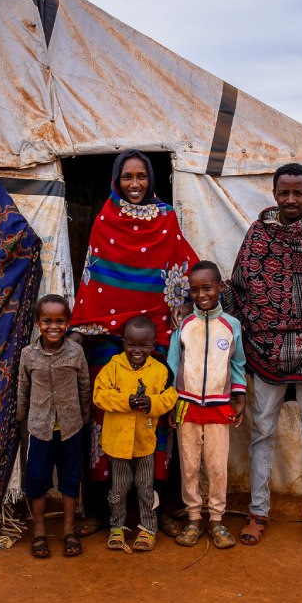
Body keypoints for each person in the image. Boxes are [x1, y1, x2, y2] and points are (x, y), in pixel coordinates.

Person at [68, 150, 198, 537]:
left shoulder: (167, 218)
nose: (135, 184)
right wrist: (81, 327)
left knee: (155, 421)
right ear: (116, 179)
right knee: (106, 419)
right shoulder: (105, 218)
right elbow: (94, 277)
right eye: (128, 177)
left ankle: (155, 508)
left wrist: (186, 308)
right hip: (108, 338)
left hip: (154, 336)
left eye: (142, 176)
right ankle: (101, 509)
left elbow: (182, 268)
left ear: (152, 179)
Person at [223, 162, 302, 549]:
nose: (291, 199)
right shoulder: (259, 234)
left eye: (298, 192)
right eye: (284, 192)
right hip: (269, 349)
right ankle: (258, 512)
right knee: (262, 430)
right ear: (274, 193)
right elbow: (241, 286)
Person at [166, 260, 246, 549]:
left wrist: (240, 396)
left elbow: (237, 364)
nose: (201, 295)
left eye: (207, 288)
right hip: (186, 407)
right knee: (189, 466)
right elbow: (173, 364)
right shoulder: (184, 325)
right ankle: (193, 518)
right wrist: (171, 401)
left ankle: (216, 519)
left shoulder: (231, 326)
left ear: (221, 287)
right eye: (195, 290)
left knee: (216, 466)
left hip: (218, 408)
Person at [91, 314, 177, 552]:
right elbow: (99, 395)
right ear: (123, 342)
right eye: (131, 344)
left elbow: (171, 396)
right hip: (118, 443)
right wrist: (125, 401)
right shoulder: (112, 367)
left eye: (143, 345)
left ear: (153, 344)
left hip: (144, 442)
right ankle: (116, 527)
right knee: (118, 488)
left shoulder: (159, 370)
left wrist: (152, 403)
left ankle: (148, 528)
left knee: (145, 487)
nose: (136, 350)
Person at [17, 294, 90, 558]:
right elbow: (23, 387)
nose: (53, 326)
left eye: (60, 321)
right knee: (37, 479)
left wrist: (85, 417)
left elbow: (84, 386)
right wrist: (21, 417)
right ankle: (39, 530)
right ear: (38, 323)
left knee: (70, 478)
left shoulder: (76, 352)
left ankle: (68, 529)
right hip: (39, 429)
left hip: (71, 427)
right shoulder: (28, 355)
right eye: (47, 321)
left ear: (68, 323)